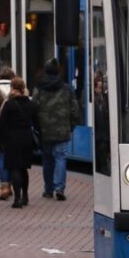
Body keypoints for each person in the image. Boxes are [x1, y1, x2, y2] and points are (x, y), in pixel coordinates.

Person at [32, 59, 80, 201]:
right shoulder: (66, 88)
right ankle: (59, 188)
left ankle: (48, 189)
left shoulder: (38, 88)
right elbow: (75, 110)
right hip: (62, 129)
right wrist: (71, 126)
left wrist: (37, 127)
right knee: (61, 157)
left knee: (47, 159)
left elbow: (34, 108)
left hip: (44, 130)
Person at [0, 78, 39, 208]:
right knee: (24, 168)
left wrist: (1, 140)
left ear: (12, 88)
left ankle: (17, 199)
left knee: (14, 168)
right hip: (26, 137)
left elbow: (2, 123)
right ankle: (25, 196)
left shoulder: (9, 104)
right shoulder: (31, 104)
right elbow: (37, 123)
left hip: (12, 138)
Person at [0, 68, 15, 201]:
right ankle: (13, 184)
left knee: (1, 156)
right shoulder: (18, 89)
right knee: (14, 158)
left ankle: (4, 186)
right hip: (15, 130)